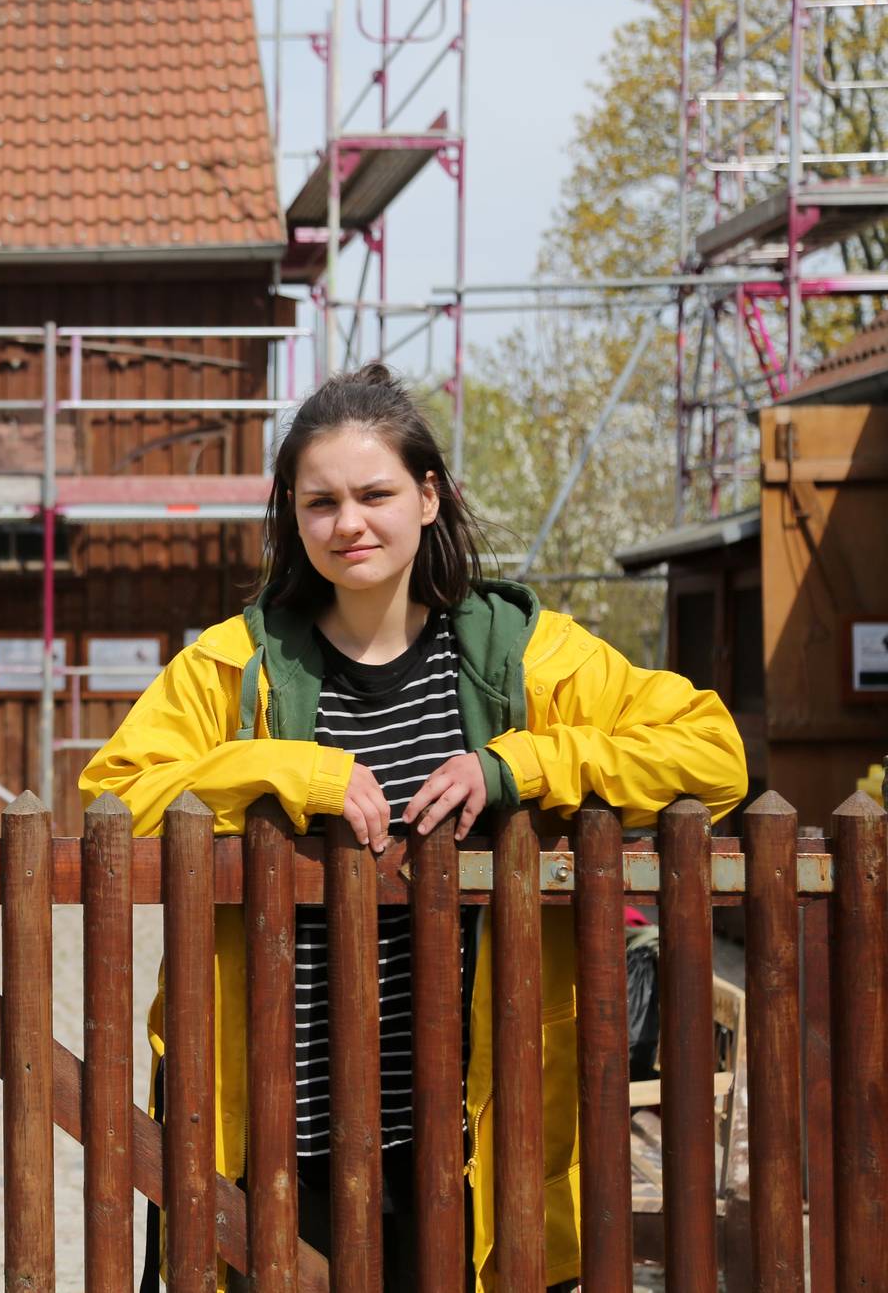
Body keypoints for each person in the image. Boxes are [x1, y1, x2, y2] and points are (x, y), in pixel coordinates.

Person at [78, 364, 747, 1291]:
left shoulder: (525, 653)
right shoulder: (236, 664)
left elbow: (712, 754)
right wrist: (289, 769)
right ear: (292, 515)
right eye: (320, 502)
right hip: (279, 1115)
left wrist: (520, 764)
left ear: (428, 496)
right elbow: (112, 798)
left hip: (475, 1119)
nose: (348, 523)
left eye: (374, 493)